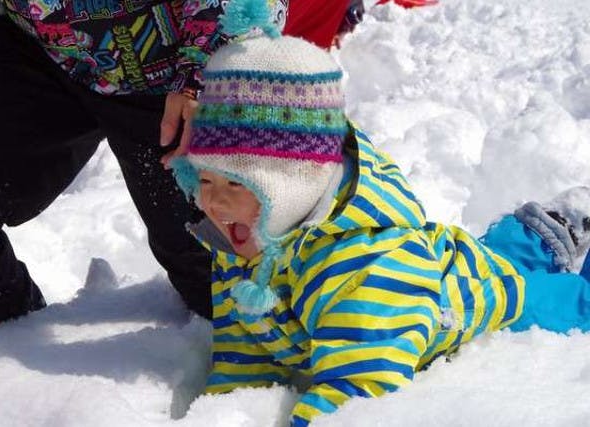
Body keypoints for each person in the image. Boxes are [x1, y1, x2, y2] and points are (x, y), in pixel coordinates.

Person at [169, 3, 590, 426]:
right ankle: (542, 232)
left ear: (294, 183)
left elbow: (357, 391)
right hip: (442, 263)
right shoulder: (240, 233)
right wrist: (229, 409)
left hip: (482, 306)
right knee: (486, 260)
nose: (215, 204)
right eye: (204, 181)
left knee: (552, 298)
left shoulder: (366, 268)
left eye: (237, 183)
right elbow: (246, 348)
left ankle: (543, 241)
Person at [0, 0, 291, 370]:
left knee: (227, 275)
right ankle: (0, 360)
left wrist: (213, 69)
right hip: (46, 48)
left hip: (179, 70)